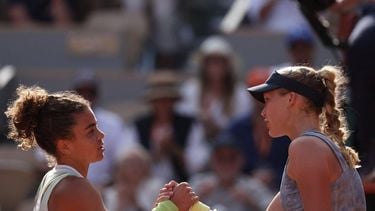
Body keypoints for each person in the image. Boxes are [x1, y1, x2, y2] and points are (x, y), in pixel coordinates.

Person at [247, 66, 366, 210]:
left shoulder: (307, 147)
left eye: (268, 100)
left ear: (291, 98)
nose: (263, 112)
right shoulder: (310, 147)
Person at [4, 85, 106, 210]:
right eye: (90, 131)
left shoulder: (52, 178)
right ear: (64, 146)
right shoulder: (77, 189)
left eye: (96, 127)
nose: (101, 135)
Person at [128, 70, 210, 182]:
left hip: (184, 183)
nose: (163, 105)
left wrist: (173, 148)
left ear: (174, 101)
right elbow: (129, 162)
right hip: (146, 185)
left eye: (167, 100)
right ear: (152, 102)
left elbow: (197, 164)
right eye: (158, 100)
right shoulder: (139, 126)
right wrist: (156, 152)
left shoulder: (190, 124)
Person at [177, 35, 252, 139]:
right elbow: (182, 123)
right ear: (203, 65)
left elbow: (243, 128)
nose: (215, 67)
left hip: (230, 150)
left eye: (220, 62)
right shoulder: (190, 90)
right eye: (211, 62)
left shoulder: (240, 93)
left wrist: (215, 127)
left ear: (228, 65)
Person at [72, 69, 129, 191]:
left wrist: (106, 184)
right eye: (81, 92)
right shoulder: (60, 121)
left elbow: (122, 159)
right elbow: (42, 160)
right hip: (67, 186)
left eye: (90, 92)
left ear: (96, 94)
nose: (85, 97)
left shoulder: (113, 123)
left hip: (105, 189)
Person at [189, 132, 274, 211]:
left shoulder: (252, 187)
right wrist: (198, 198)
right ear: (212, 160)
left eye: (232, 158)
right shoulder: (199, 184)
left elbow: (275, 208)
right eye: (221, 158)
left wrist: (250, 202)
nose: (226, 164)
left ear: (241, 160)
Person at [102, 146, 164, 211]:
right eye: (129, 164)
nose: (133, 168)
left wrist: (134, 202)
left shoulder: (155, 187)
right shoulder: (110, 194)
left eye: (137, 163)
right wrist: (121, 205)